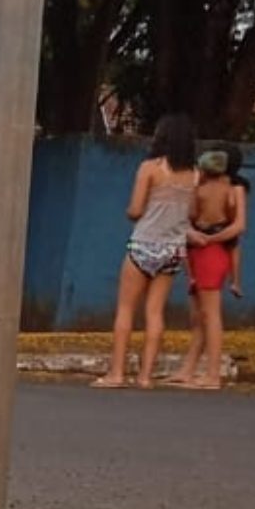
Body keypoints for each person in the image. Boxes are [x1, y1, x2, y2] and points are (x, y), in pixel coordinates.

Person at [93, 114, 197, 389]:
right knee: (155, 312)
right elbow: (193, 214)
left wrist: (137, 212)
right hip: (173, 249)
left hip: (143, 244)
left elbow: (136, 209)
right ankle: (145, 376)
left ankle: (117, 373)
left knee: (125, 309)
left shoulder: (150, 168)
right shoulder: (195, 175)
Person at [168, 143, 249, 389]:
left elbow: (238, 227)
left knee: (210, 314)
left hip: (209, 251)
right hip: (200, 250)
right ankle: (188, 369)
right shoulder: (211, 189)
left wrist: (209, 238)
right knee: (199, 315)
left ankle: (213, 374)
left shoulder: (231, 190)